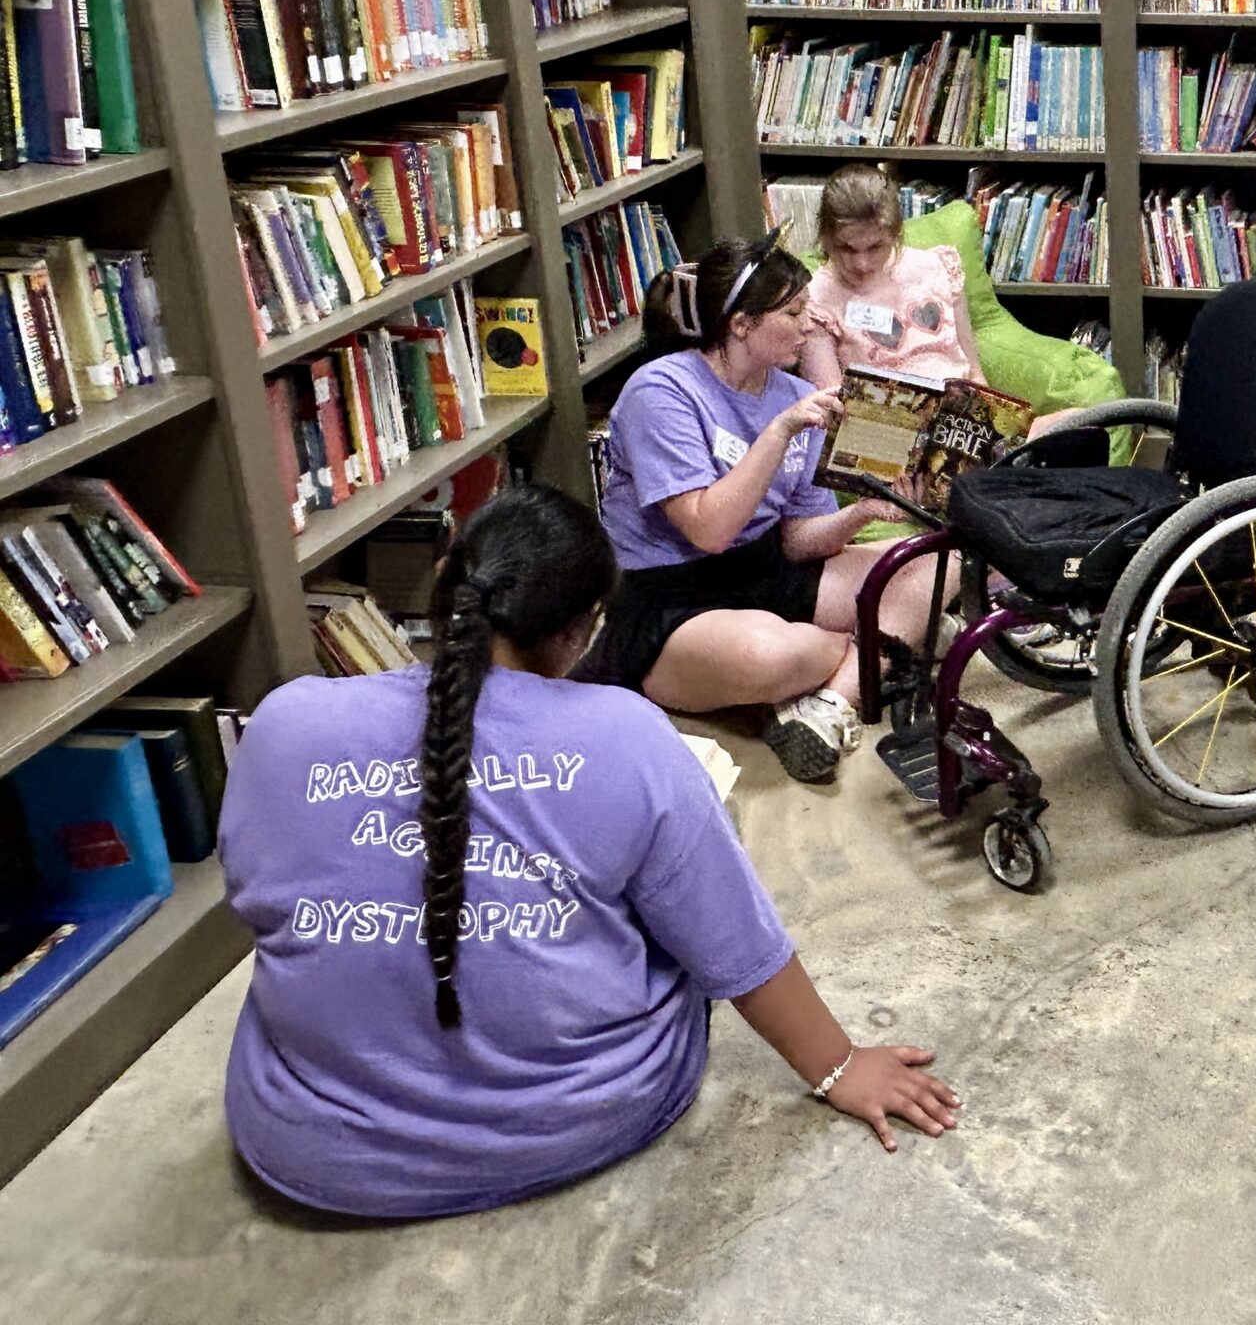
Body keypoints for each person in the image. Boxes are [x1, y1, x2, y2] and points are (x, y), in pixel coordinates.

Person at [217, 486, 960, 1220]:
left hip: (311, 1147)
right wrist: (839, 1067)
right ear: (583, 631)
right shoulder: (625, 734)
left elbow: (259, 896)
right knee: (688, 853)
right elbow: (733, 947)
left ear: (443, 583)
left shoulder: (287, 720)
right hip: (569, 1122)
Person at [585, 231, 941, 783]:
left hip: (765, 564)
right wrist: (779, 432)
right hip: (669, 591)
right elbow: (708, 530)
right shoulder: (661, 390)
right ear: (741, 323)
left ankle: (830, 705)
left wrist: (862, 513)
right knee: (772, 656)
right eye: (794, 311)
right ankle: (871, 657)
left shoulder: (791, 395)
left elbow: (799, 540)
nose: (809, 324)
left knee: (931, 566)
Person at [796, 162, 1077, 438]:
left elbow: (974, 375)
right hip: (888, 432)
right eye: (846, 248)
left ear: (895, 233)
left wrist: (989, 427)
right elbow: (832, 410)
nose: (862, 263)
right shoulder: (817, 299)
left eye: (875, 246)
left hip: (961, 424)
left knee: (1075, 426)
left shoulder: (936, 267)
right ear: (827, 238)